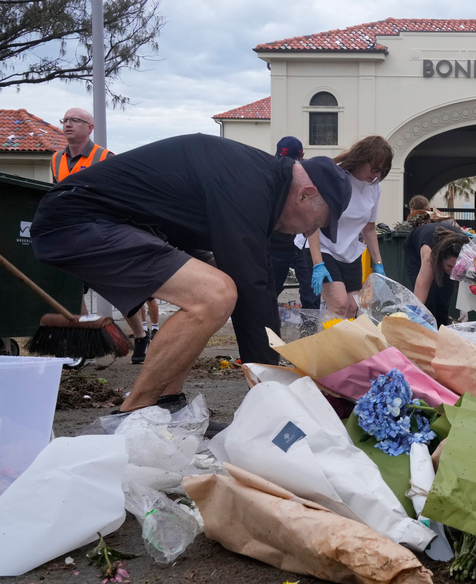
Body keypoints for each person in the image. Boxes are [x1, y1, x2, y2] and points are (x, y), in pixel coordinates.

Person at [31, 133, 351, 415]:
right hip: (77, 221)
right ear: (306, 194)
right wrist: (267, 388)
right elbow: (249, 286)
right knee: (216, 293)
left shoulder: (264, 182)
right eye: (318, 222)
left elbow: (259, 279)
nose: (313, 231)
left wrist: (267, 372)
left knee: (215, 284)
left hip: (138, 225)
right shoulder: (247, 184)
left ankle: (167, 402)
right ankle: (135, 412)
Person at [51, 107, 151, 364]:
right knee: (73, 292)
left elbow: (119, 198)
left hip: (100, 234)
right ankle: (85, 345)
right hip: (70, 235)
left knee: (117, 288)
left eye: (75, 120)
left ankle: (140, 336)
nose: (68, 124)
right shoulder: (56, 159)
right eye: (65, 120)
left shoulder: (105, 158)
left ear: (89, 128)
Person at [309, 136, 393, 318]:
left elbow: (369, 228)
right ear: (362, 159)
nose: (377, 175)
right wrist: (318, 264)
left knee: (353, 308)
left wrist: (378, 264)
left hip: (349, 251)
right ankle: (327, 346)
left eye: (382, 171)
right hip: (322, 246)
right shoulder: (335, 178)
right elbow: (312, 221)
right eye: (375, 168)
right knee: (339, 304)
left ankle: (343, 346)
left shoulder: (374, 188)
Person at [267, 137, 320, 310]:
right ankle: (268, 331)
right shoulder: (271, 175)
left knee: (310, 293)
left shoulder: (308, 177)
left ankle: (310, 331)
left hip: (302, 242)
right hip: (278, 243)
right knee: (271, 290)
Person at [403, 221, 469, 326]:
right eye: (450, 266)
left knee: (445, 294)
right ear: (441, 259)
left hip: (444, 250)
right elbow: (422, 286)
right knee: (429, 301)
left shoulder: (467, 250)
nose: (452, 272)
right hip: (415, 248)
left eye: (456, 267)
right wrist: (415, 313)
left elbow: (466, 278)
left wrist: (464, 307)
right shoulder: (430, 256)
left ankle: (441, 328)